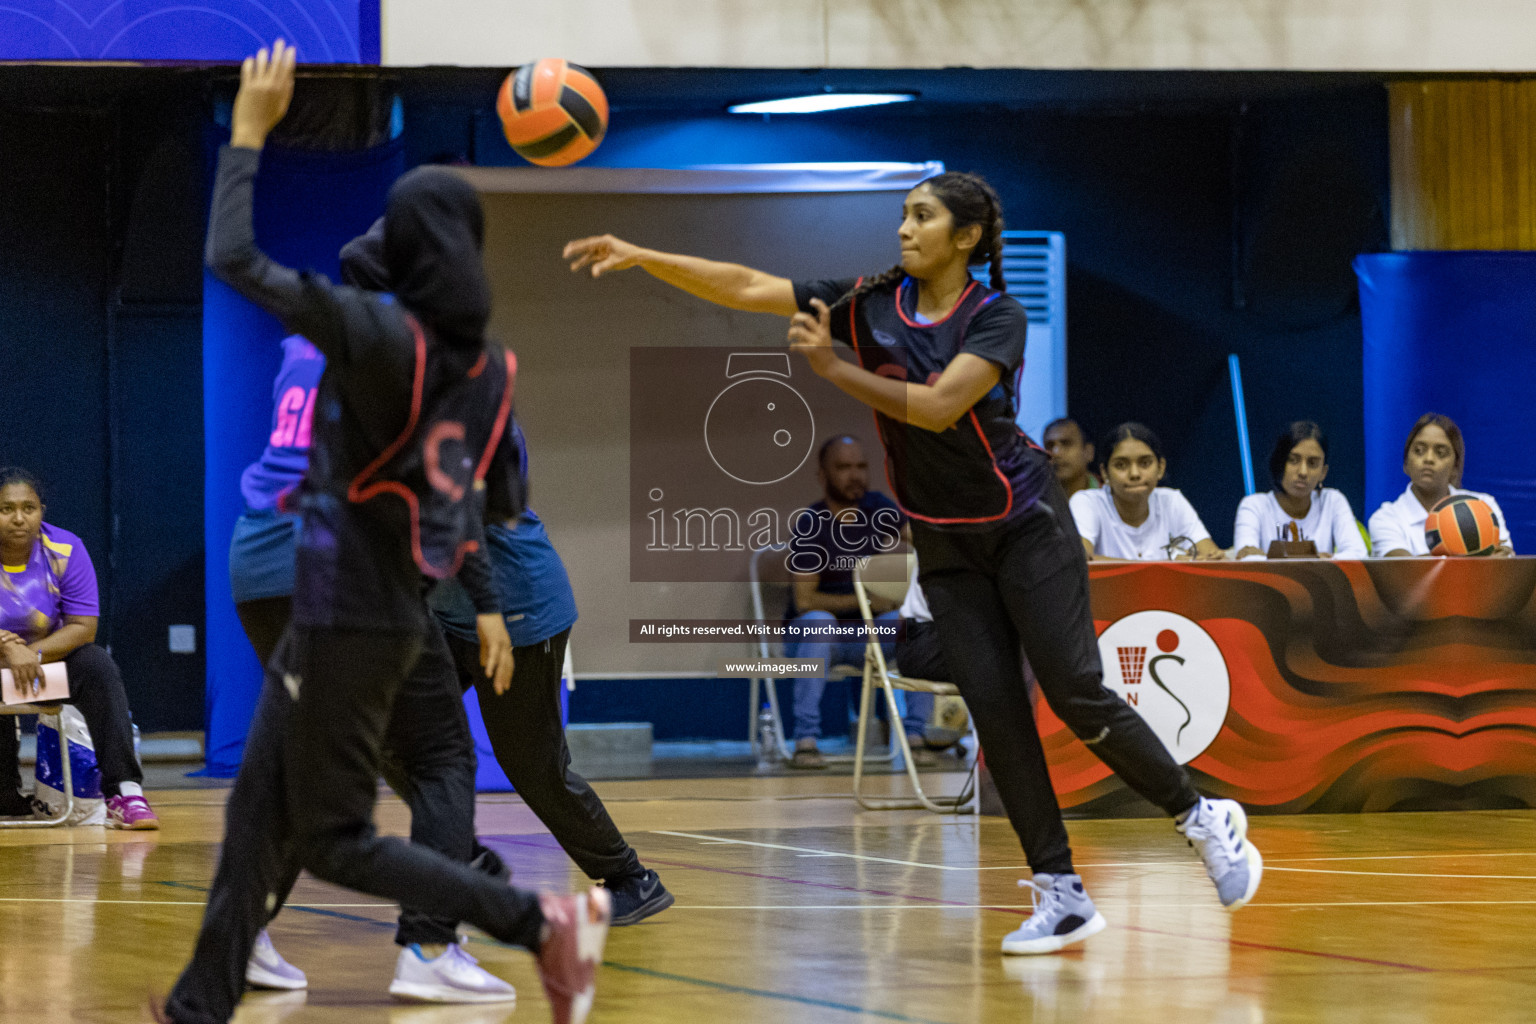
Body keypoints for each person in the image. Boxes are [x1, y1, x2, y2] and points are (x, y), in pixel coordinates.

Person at [563, 169, 1261, 957]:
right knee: (996, 713)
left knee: (1074, 692)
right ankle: (1061, 894)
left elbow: (938, 405)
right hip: (945, 539)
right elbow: (751, 284)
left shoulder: (996, 314)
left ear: (965, 236)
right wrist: (642, 253)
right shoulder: (866, 303)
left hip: (1025, 524)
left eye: (922, 216)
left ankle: (1203, 818)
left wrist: (832, 372)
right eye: (903, 214)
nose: (904, 228)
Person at [159, 43, 608, 1024]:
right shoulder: (489, 370)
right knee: (263, 804)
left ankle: (527, 928)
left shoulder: (364, 333)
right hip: (373, 601)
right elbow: (496, 500)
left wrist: (247, 133)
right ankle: (200, 1001)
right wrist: (479, 597)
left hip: (344, 606)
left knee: (343, 828)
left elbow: (232, 258)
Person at [226, 223, 524, 1004]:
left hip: (257, 558)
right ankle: (428, 949)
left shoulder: (306, 340)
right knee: (441, 760)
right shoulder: (406, 351)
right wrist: (488, 606)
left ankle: (241, 937)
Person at [426, 430, 675, 924]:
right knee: (401, 731)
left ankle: (631, 879)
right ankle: (467, 855)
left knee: (533, 767)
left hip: (515, 609)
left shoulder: (472, 414)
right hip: (451, 614)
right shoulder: (403, 409)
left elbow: (463, 518)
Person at [0, 467, 158, 828]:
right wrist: (8, 647)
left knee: (96, 664)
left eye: (29, 507)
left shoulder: (66, 550)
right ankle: (4, 792)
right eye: (6, 509)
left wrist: (33, 654)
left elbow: (83, 628)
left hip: (39, 676)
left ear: (42, 511)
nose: (19, 518)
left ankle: (125, 791)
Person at [782, 435, 921, 768]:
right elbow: (805, 601)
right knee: (819, 621)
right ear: (822, 475)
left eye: (861, 466)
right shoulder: (811, 523)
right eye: (843, 467)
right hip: (817, 637)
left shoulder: (878, 508)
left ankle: (918, 737)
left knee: (915, 623)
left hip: (867, 635)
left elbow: (925, 540)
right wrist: (867, 603)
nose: (854, 475)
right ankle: (806, 741)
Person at [1070, 423, 1225, 561]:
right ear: (1104, 473)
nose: (1135, 474)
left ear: (1160, 468)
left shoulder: (1172, 501)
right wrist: (1168, 567)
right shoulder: (1087, 502)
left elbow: (1213, 559)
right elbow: (1080, 561)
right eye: (1121, 465)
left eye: (1145, 463)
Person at [1369, 412, 1514, 557]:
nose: (1429, 459)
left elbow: (1504, 562)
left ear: (1455, 467)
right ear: (1406, 463)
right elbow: (1405, 569)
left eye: (1440, 452)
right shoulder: (1386, 518)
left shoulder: (1483, 505)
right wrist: (1477, 559)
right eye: (1419, 451)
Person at [1233, 422, 1367, 559]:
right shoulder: (1254, 505)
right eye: (1293, 460)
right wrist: (1315, 560)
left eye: (1312, 463)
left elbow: (1359, 555)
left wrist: (1275, 559)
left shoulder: (1333, 501)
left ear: (1323, 472)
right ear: (1279, 463)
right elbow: (1246, 559)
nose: (1303, 472)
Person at [1042, 417, 1099, 498]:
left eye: (1066, 443)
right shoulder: (1032, 500)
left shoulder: (1112, 497)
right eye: (1050, 446)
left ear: (1089, 452)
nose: (1056, 453)